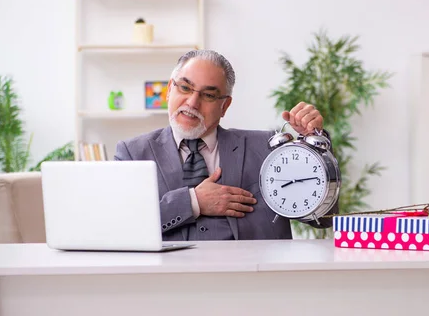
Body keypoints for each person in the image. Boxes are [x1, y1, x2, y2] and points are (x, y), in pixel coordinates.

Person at [114, 49, 338, 241]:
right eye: (184, 88)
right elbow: (120, 226)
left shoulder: (267, 148)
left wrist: (316, 147)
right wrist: (193, 201)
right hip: (168, 284)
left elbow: (322, 216)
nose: (192, 102)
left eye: (209, 95)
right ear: (169, 90)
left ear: (225, 106)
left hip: (254, 282)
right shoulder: (133, 153)